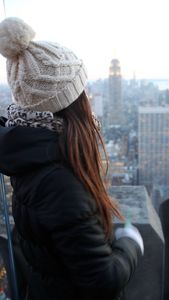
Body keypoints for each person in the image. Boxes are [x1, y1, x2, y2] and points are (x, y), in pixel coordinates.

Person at [0, 17, 144, 300]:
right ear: (73, 101)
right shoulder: (61, 184)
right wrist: (130, 244)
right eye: (82, 91)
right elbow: (103, 280)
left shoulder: (30, 154)